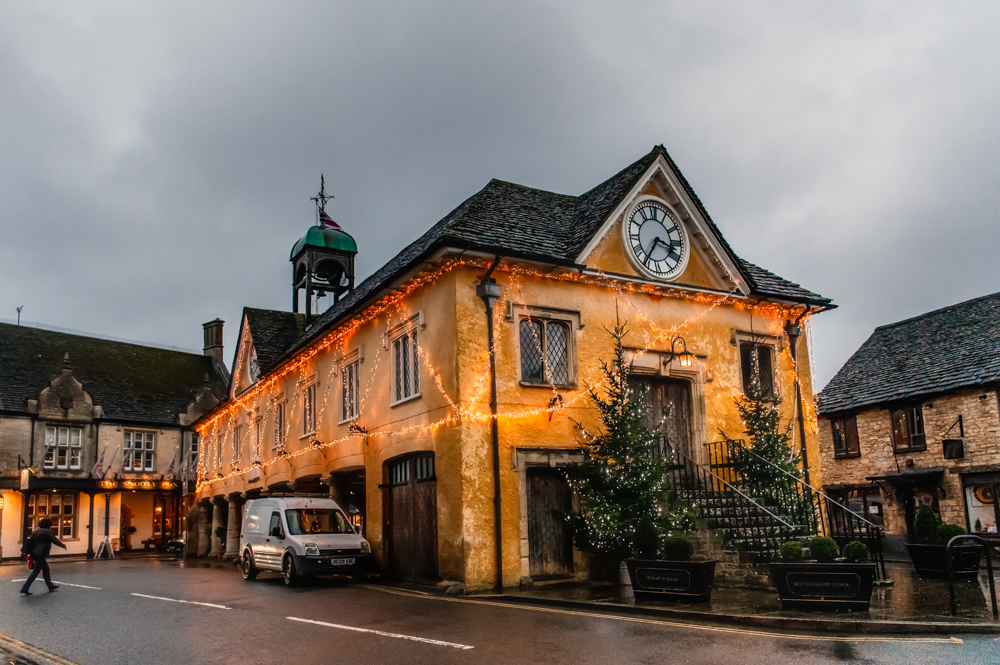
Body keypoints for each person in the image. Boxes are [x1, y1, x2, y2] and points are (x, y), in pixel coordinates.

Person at [20, 518, 67, 596]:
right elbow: (54, 540)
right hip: (41, 554)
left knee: (46, 570)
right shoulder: (47, 531)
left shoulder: (36, 530)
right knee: (36, 571)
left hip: (35, 553)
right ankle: (25, 588)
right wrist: (62, 545)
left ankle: (50, 586)